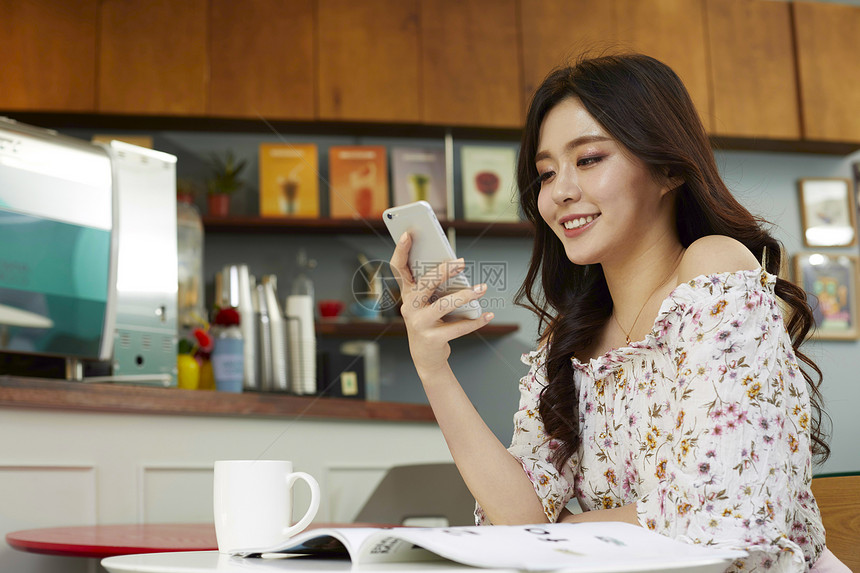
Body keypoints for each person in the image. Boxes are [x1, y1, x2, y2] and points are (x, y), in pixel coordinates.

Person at [388, 53, 843, 572]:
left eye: (588, 160)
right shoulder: (569, 341)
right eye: (545, 172)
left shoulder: (712, 266)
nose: (559, 191)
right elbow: (512, 517)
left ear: (668, 168)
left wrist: (548, 536)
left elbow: (723, 515)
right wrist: (432, 366)